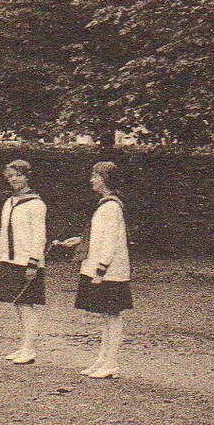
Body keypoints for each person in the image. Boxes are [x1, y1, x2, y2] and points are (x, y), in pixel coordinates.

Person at [57, 160, 133, 378]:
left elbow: (110, 242)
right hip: (100, 268)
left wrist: (100, 270)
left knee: (112, 315)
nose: (91, 181)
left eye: (95, 177)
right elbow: (99, 237)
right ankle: (102, 359)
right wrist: (79, 241)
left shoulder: (111, 206)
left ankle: (112, 363)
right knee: (104, 315)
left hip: (109, 271)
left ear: (106, 180)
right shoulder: (105, 205)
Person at [0, 159, 47, 364]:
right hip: (11, 259)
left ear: (28, 177)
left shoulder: (36, 204)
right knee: (17, 304)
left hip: (27, 261)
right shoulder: (9, 202)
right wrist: (3, 256)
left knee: (26, 305)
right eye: (10, 176)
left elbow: (39, 236)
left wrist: (33, 262)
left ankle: (29, 349)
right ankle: (23, 346)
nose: (14, 179)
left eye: (18, 175)